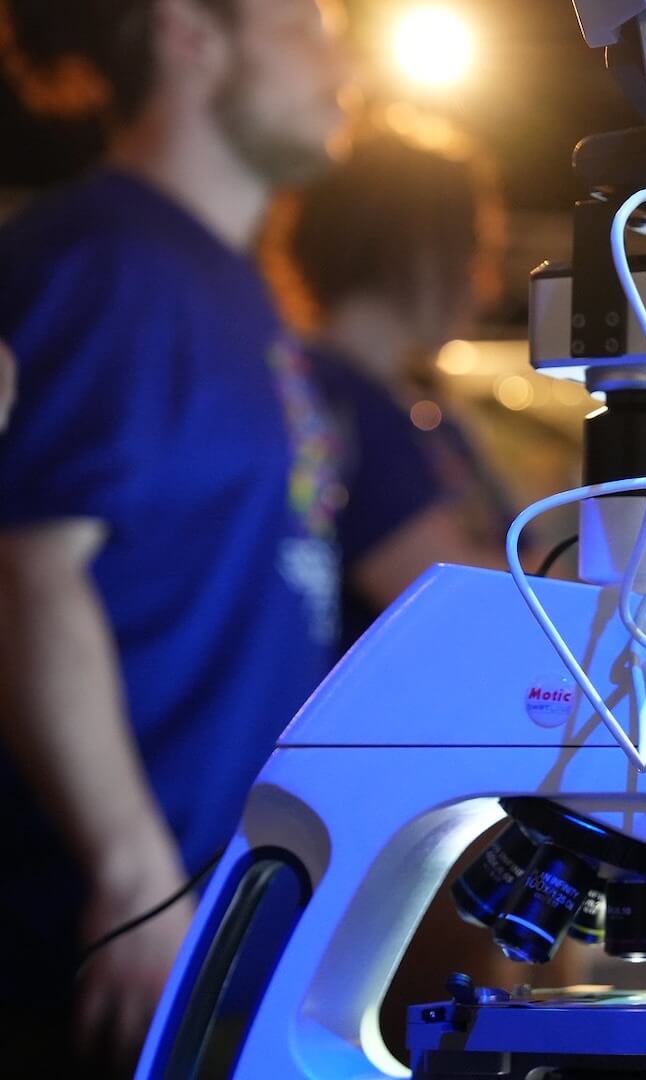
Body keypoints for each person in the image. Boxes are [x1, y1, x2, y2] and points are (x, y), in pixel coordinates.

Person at [0, 0, 346, 1074]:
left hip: (214, 930)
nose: (340, 63)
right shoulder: (105, 261)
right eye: (305, 25)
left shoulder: (230, 283)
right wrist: (133, 870)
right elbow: (26, 567)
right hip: (107, 949)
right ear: (190, 33)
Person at [262, 121, 514, 649]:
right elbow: (455, 611)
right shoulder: (328, 399)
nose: (483, 286)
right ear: (418, 249)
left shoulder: (416, 406)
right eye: (473, 252)